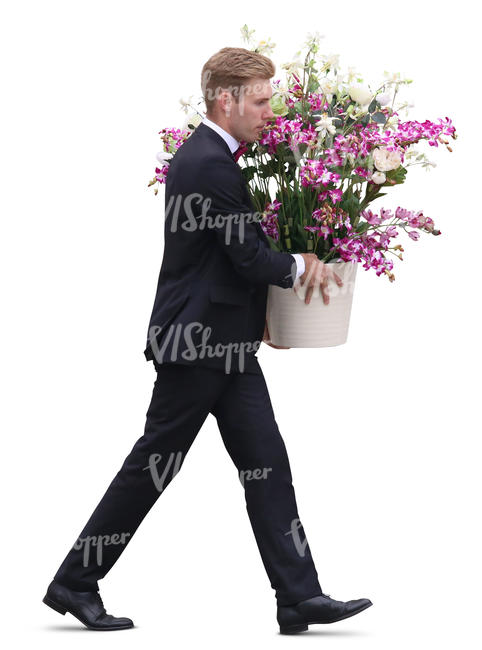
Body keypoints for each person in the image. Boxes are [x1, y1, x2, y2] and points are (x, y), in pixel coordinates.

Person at [42, 46, 372, 634]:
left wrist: (260, 320)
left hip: (225, 343)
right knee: (153, 466)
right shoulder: (208, 163)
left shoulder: (213, 159)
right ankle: (74, 581)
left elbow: (220, 259)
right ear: (227, 99)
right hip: (196, 347)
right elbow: (246, 257)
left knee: (266, 463)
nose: (270, 112)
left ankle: (298, 597)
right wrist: (301, 266)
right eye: (263, 101)